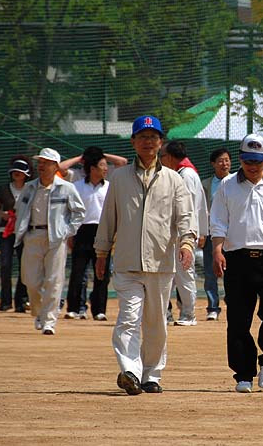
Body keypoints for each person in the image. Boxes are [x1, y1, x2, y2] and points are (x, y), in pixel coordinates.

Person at [95, 115, 196, 395]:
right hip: (127, 263)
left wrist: (186, 244)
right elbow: (108, 218)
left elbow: (185, 217)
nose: (148, 142)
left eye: (153, 137)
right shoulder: (118, 178)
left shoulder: (174, 180)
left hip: (161, 264)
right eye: (142, 137)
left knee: (156, 324)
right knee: (128, 317)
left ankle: (152, 374)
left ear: (160, 143)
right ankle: (131, 371)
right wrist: (101, 252)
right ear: (133, 142)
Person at [210, 133, 263, 393]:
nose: (252, 166)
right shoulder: (227, 185)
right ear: (240, 158)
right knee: (238, 319)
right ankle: (244, 374)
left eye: (258, 161)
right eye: (248, 160)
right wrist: (217, 250)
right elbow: (218, 221)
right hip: (238, 259)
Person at [14, 148, 85, 335]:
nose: (42, 166)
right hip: (32, 236)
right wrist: (20, 231)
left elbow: (79, 212)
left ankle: (49, 322)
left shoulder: (67, 188)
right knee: (30, 281)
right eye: (40, 162)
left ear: (56, 166)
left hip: (56, 238)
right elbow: (19, 209)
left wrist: (67, 231)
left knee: (54, 280)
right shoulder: (29, 187)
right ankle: (38, 312)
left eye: (46, 162)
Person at [160, 139, 208, 326]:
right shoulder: (186, 173)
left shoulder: (185, 175)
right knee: (171, 273)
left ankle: (188, 314)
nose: (160, 160)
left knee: (184, 273)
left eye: (162, 156)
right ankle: (166, 312)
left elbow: (186, 208)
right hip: (178, 232)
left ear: (170, 157)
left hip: (182, 233)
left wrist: (191, 234)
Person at [63, 148, 112, 321]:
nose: (105, 168)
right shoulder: (76, 186)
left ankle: (99, 310)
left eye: (106, 165)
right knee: (78, 272)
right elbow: (69, 212)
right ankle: (75, 308)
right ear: (92, 168)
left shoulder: (110, 187)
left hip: (103, 232)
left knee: (102, 273)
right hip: (81, 231)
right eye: (101, 165)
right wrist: (70, 234)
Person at [0, 156, 32, 312]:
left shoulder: (31, 188)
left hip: (24, 232)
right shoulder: (4, 189)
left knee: (24, 267)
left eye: (20, 172)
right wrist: (2, 214)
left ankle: (21, 301)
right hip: (6, 231)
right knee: (5, 265)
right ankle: (5, 302)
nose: (17, 174)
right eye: (14, 172)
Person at [201, 147, 231, 321]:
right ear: (213, 164)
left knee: (232, 272)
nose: (224, 163)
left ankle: (233, 302)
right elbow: (201, 209)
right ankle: (213, 307)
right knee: (210, 271)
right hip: (212, 235)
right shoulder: (205, 184)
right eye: (220, 160)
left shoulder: (237, 182)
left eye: (227, 160)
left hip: (232, 236)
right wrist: (203, 232)